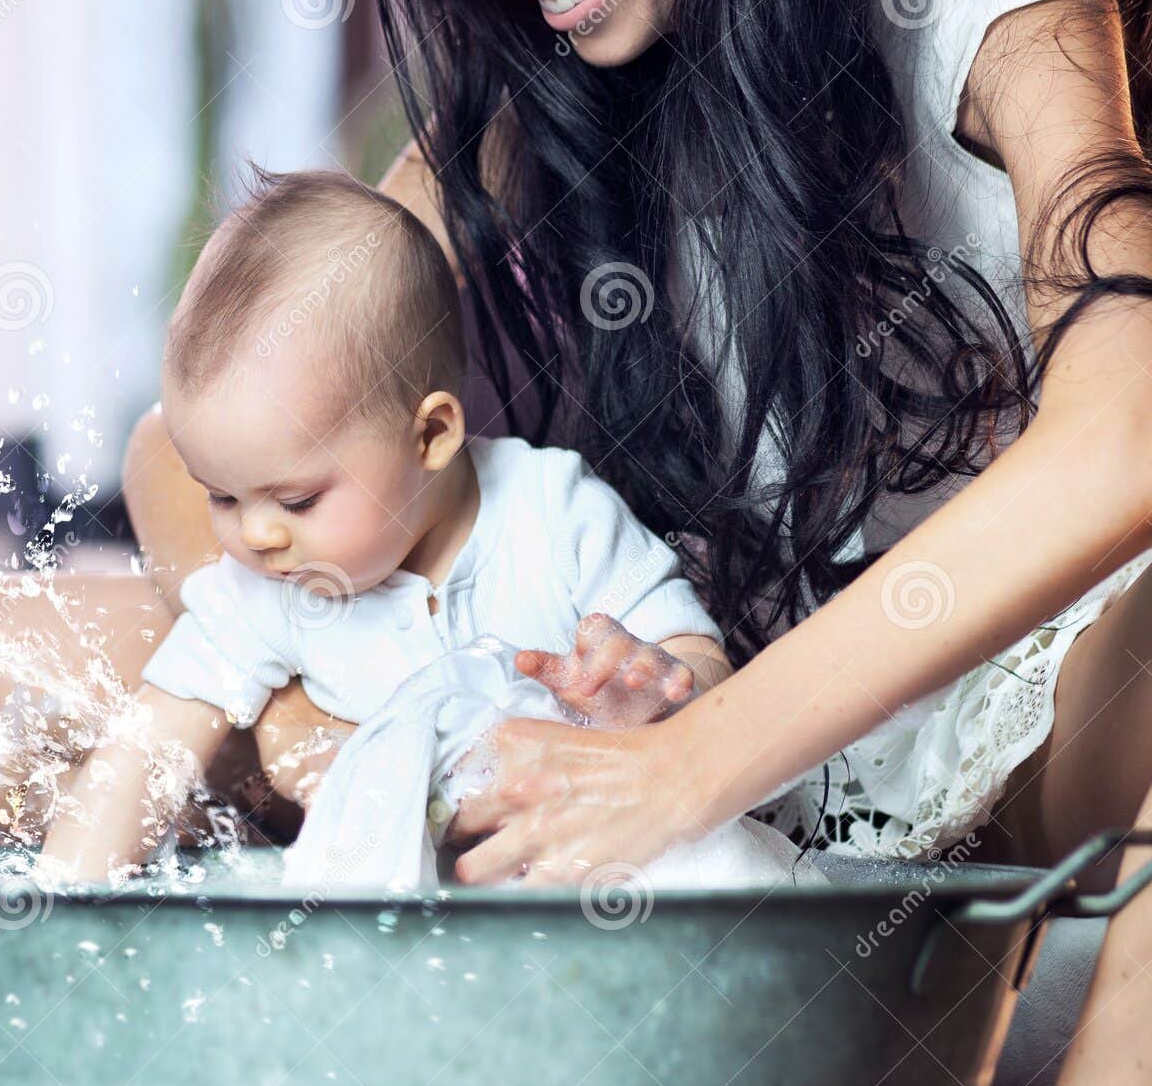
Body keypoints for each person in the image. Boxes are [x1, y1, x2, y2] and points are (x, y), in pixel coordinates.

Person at [0, 0, 1152, 1086]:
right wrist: (317, 734)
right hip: (675, 707)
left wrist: (691, 762)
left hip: (990, 730)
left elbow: (1125, 441)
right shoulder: (553, 72)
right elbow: (181, 454)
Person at [38, 166, 729, 882]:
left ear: (430, 435)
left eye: (297, 501)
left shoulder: (556, 515)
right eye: (221, 497)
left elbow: (706, 675)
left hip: (592, 877)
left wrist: (654, 687)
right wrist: (59, 900)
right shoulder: (265, 588)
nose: (257, 536)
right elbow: (146, 749)